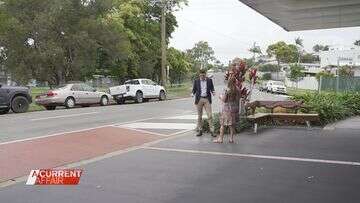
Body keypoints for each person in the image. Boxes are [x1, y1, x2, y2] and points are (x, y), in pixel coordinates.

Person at [213, 76, 240, 143]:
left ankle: (220, 139)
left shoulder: (228, 90)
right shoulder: (238, 89)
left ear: (229, 82)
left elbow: (224, 100)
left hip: (227, 109)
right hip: (234, 109)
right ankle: (231, 139)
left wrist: (220, 97)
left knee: (222, 125)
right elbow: (238, 99)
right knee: (231, 125)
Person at [192, 69, 216, 137]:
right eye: (201, 75)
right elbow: (194, 89)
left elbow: (212, 88)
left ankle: (212, 131)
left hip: (207, 99)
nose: (202, 76)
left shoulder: (209, 80)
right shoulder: (196, 81)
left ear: (205, 74)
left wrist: (213, 92)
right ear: (199, 74)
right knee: (200, 116)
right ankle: (200, 130)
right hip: (199, 99)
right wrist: (192, 93)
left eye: (204, 75)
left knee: (210, 115)